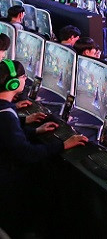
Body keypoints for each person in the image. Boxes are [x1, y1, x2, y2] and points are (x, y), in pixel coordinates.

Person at [0, 57, 87, 237]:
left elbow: (6, 134)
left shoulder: (6, 111)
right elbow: (27, 153)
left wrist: (33, 129)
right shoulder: (6, 115)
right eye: (23, 77)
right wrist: (63, 144)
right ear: (13, 83)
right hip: (7, 186)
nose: (26, 79)